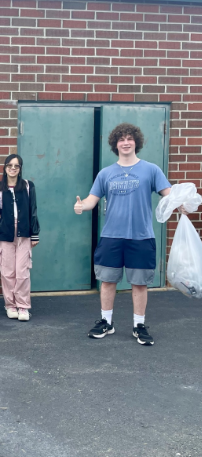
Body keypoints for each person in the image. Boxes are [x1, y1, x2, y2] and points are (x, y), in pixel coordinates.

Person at [74, 123, 177, 346]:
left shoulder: (151, 170)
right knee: (108, 281)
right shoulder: (106, 173)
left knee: (139, 284)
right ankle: (106, 322)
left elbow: (169, 194)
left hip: (141, 237)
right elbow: (93, 199)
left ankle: (139, 325)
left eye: (130, 138)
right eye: (121, 139)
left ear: (136, 142)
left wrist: (183, 201)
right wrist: (83, 206)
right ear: (115, 144)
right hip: (112, 236)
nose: (126, 142)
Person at [0, 154, 40, 321]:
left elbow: (33, 209)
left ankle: (23, 306)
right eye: (10, 166)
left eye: (16, 166)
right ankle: (10, 305)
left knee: (22, 272)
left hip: (24, 233)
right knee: (7, 272)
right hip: (5, 233)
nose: (13, 169)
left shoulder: (28, 186)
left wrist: (35, 233)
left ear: (20, 168)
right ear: (5, 168)